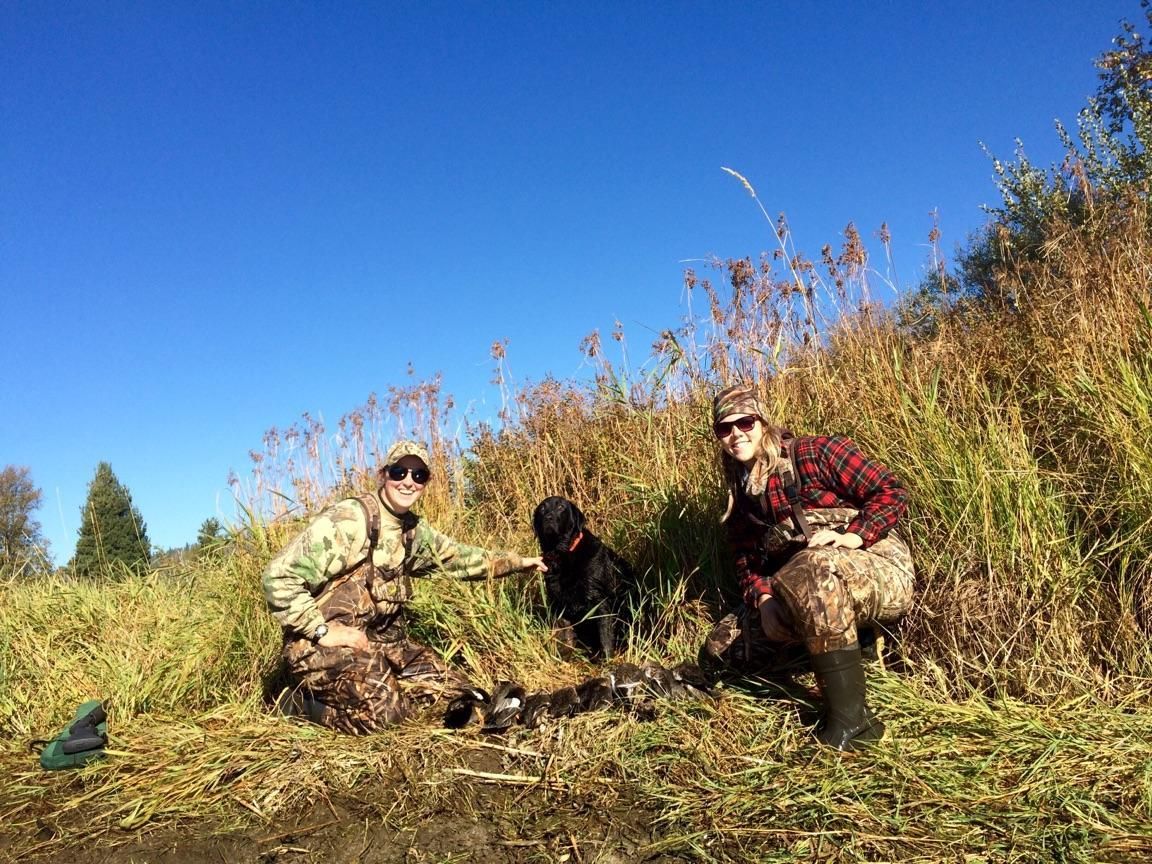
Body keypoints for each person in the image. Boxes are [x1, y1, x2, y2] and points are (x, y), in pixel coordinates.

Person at [262, 440, 546, 734]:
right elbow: (278, 577)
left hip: (382, 646)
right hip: (320, 647)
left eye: (418, 475)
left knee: (459, 691)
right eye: (400, 472)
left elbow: (460, 558)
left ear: (426, 482)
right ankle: (296, 704)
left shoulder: (413, 531)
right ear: (384, 474)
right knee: (386, 716)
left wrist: (518, 562)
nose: (408, 482)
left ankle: (387, 689)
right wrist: (322, 631)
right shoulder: (350, 520)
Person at [708, 383, 914, 750]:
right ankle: (852, 647)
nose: (736, 434)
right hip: (800, 586)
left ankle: (855, 725)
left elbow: (891, 491)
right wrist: (764, 598)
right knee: (720, 648)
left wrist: (854, 535)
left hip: (879, 567)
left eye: (746, 423)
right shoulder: (742, 492)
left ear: (763, 422)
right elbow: (745, 559)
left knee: (809, 570)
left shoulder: (815, 452)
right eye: (725, 428)